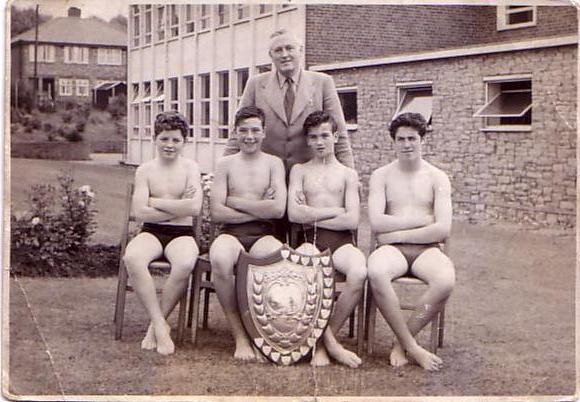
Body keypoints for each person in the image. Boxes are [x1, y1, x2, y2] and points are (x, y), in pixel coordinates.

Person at [367, 112, 455, 371]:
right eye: (401, 139)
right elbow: (376, 222)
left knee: (445, 280)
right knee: (376, 271)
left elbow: (442, 228)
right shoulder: (381, 176)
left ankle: (401, 342)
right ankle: (413, 346)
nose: (407, 144)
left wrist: (397, 233)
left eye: (412, 138)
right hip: (390, 250)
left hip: (427, 250)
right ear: (393, 142)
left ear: (422, 140)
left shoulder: (437, 177)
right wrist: (421, 220)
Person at [287, 111, 365, 369]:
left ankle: (322, 339)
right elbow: (295, 215)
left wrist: (312, 214)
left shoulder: (347, 174)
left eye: (324, 136)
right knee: (309, 266)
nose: (319, 142)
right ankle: (329, 345)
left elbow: (351, 221)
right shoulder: (299, 171)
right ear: (307, 141)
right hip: (310, 240)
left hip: (341, 242)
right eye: (313, 137)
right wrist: (335, 211)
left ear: (336, 136)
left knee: (359, 271)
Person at [209, 106, 287, 361]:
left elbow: (277, 210)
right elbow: (218, 213)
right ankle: (240, 336)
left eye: (255, 130)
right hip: (230, 233)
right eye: (243, 130)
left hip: (264, 233)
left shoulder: (274, 164)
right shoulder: (225, 164)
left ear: (264, 133)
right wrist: (260, 208)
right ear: (235, 133)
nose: (249, 136)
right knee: (220, 258)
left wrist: (234, 200)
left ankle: (262, 334)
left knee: (276, 257)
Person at [123, 111, 202, 355]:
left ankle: (153, 328)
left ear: (184, 142)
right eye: (165, 139)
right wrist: (176, 208)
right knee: (132, 257)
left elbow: (194, 208)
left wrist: (155, 201)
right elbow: (140, 212)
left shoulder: (191, 168)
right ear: (155, 139)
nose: (170, 145)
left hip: (182, 233)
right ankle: (159, 324)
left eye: (176, 140)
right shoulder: (145, 170)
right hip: (151, 232)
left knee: (186, 262)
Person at [225, 28, 354, 171]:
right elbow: (237, 132)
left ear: (300, 50)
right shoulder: (255, 84)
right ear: (271, 55)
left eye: (289, 48)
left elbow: (340, 133)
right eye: (278, 50)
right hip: (267, 175)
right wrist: (223, 171)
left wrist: (350, 175)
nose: (284, 55)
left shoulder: (323, 82)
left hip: (309, 175)